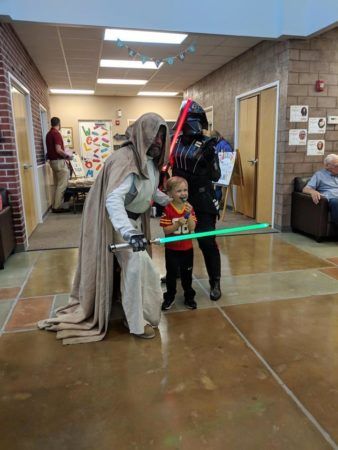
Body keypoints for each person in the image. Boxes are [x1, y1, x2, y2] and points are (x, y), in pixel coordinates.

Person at [38, 113, 170, 343]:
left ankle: (132, 311)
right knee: (138, 268)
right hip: (116, 222)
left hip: (133, 221)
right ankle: (136, 323)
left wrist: (169, 201)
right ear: (141, 134)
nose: (158, 141)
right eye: (154, 135)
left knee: (134, 268)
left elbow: (149, 190)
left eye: (161, 135)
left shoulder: (149, 161)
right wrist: (128, 232)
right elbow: (113, 200)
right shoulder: (126, 159)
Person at [172, 100, 222, 301]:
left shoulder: (209, 144)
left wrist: (210, 159)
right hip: (179, 200)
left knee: (207, 242)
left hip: (202, 199)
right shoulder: (174, 142)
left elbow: (216, 176)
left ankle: (215, 281)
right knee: (176, 241)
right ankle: (174, 274)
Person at [160, 176, 197, 310]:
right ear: (170, 194)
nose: (183, 193)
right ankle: (170, 296)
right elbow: (166, 230)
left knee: (187, 275)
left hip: (187, 249)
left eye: (185, 190)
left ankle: (189, 295)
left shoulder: (189, 208)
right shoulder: (168, 209)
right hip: (172, 250)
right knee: (171, 275)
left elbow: (192, 228)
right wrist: (177, 225)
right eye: (179, 191)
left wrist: (188, 215)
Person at [46, 117, 72, 213]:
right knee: (62, 185)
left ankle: (55, 205)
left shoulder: (48, 134)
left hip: (52, 162)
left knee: (57, 185)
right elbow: (58, 149)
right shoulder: (56, 134)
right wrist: (67, 156)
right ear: (59, 124)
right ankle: (57, 207)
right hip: (59, 162)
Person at [303, 154, 338, 225]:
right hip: (332, 198)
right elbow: (305, 189)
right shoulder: (319, 175)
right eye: (337, 165)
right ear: (327, 166)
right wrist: (312, 191)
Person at [210, 130, 234, 203]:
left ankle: (217, 203)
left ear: (217, 137)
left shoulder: (224, 145)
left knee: (217, 187)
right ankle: (216, 202)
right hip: (217, 169)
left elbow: (229, 158)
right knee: (216, 187)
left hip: (223, 170)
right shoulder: (217, 144)